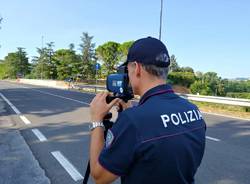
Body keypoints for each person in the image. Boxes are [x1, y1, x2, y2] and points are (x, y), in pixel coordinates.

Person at [89, 37, 206, 184]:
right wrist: (132, 114)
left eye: (127, 69)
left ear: (136, 68)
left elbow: (100, 177)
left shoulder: (133, 121)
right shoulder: (193, 110)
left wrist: (97, 121)